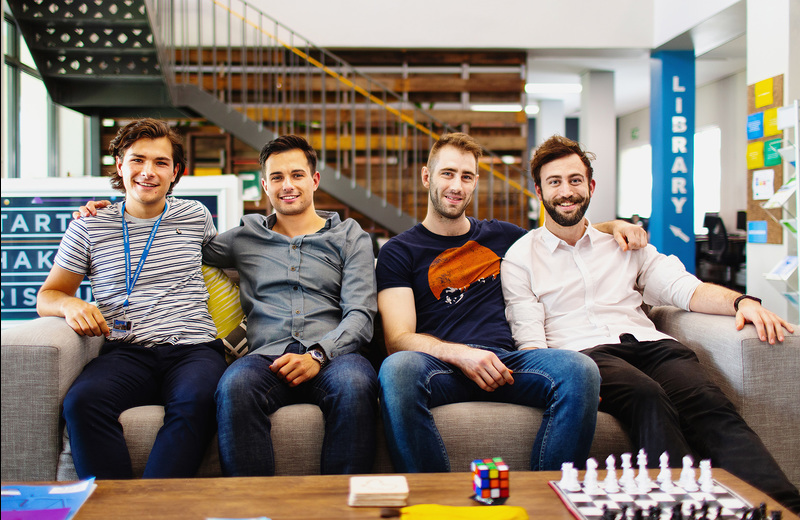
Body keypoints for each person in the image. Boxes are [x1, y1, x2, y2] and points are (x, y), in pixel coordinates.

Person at [501, 134, 800, 512]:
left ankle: (784, 507)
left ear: (590, 186)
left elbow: (683, 288)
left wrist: (740, 301)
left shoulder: (624, 244)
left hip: (650, 346)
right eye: (555, 182)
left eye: (575, 180)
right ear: (539, 191)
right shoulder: (520, 258)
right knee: (646, 395)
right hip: (585, 358)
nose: (566, 191)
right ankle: (686, 508)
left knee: (709, 404)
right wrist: (564, 381)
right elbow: (529, 339)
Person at [375, 132, 647, 472]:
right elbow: (398, 339)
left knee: (580, 370)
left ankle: (547, 501)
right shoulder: (399, 251)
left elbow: (564, 228)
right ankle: (434, 500)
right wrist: (462, 354)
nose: (456, 185)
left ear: (475, 183)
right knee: (397, 369)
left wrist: (614, 225)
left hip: (510, 364)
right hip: (442, 368)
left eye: (467, 176)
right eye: (447, 173)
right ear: (427, 176)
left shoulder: (505, 237)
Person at [37, 118, 228, 479]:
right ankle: (113, 507)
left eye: (161, 163)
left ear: (176, 173)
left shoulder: (195, 216)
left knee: (197, 401)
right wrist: (70, 304)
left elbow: (230, 261)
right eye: (138, 160)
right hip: (125, 348)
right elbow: (49, 294)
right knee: (82, 402)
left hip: (194, 347)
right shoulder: (88, 226)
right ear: (120, 164)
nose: (148, 172)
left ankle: (150, 507)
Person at [203, 135, 379, 476]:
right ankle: (253, 512)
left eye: (297, 175)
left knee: (356, 385)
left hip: (335, 357)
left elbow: (360, 314)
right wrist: (107, 213)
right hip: (265, 358)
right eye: (278, 177)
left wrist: (318, 355)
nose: (288, 185)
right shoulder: (245, 236)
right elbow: (181, 241)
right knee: (234, 387)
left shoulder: (348, 236)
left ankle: (339, 511)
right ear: (266, 186)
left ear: (314, 180)